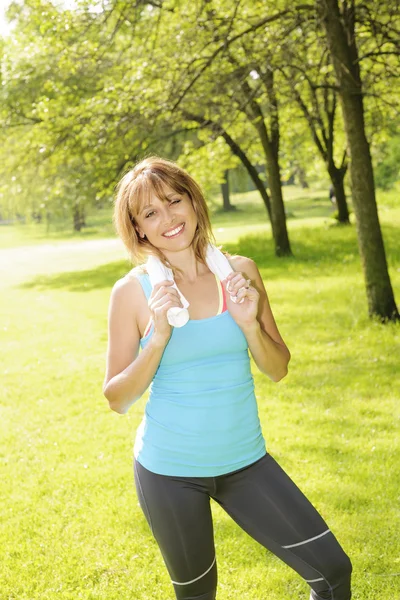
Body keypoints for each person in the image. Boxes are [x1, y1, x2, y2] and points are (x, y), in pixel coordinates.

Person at [103, 157, 352, 600]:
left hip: (245, 461)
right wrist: (157, 338)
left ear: (194, 202)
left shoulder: (241, 273)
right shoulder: (133, 292)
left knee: (333, 571)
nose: (168, 218)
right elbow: (117, 398)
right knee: (198, 596)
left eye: (173, 201)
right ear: (139, 229)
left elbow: (277, 369)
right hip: (169, 471)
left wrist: (249, 323)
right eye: (150, 213)